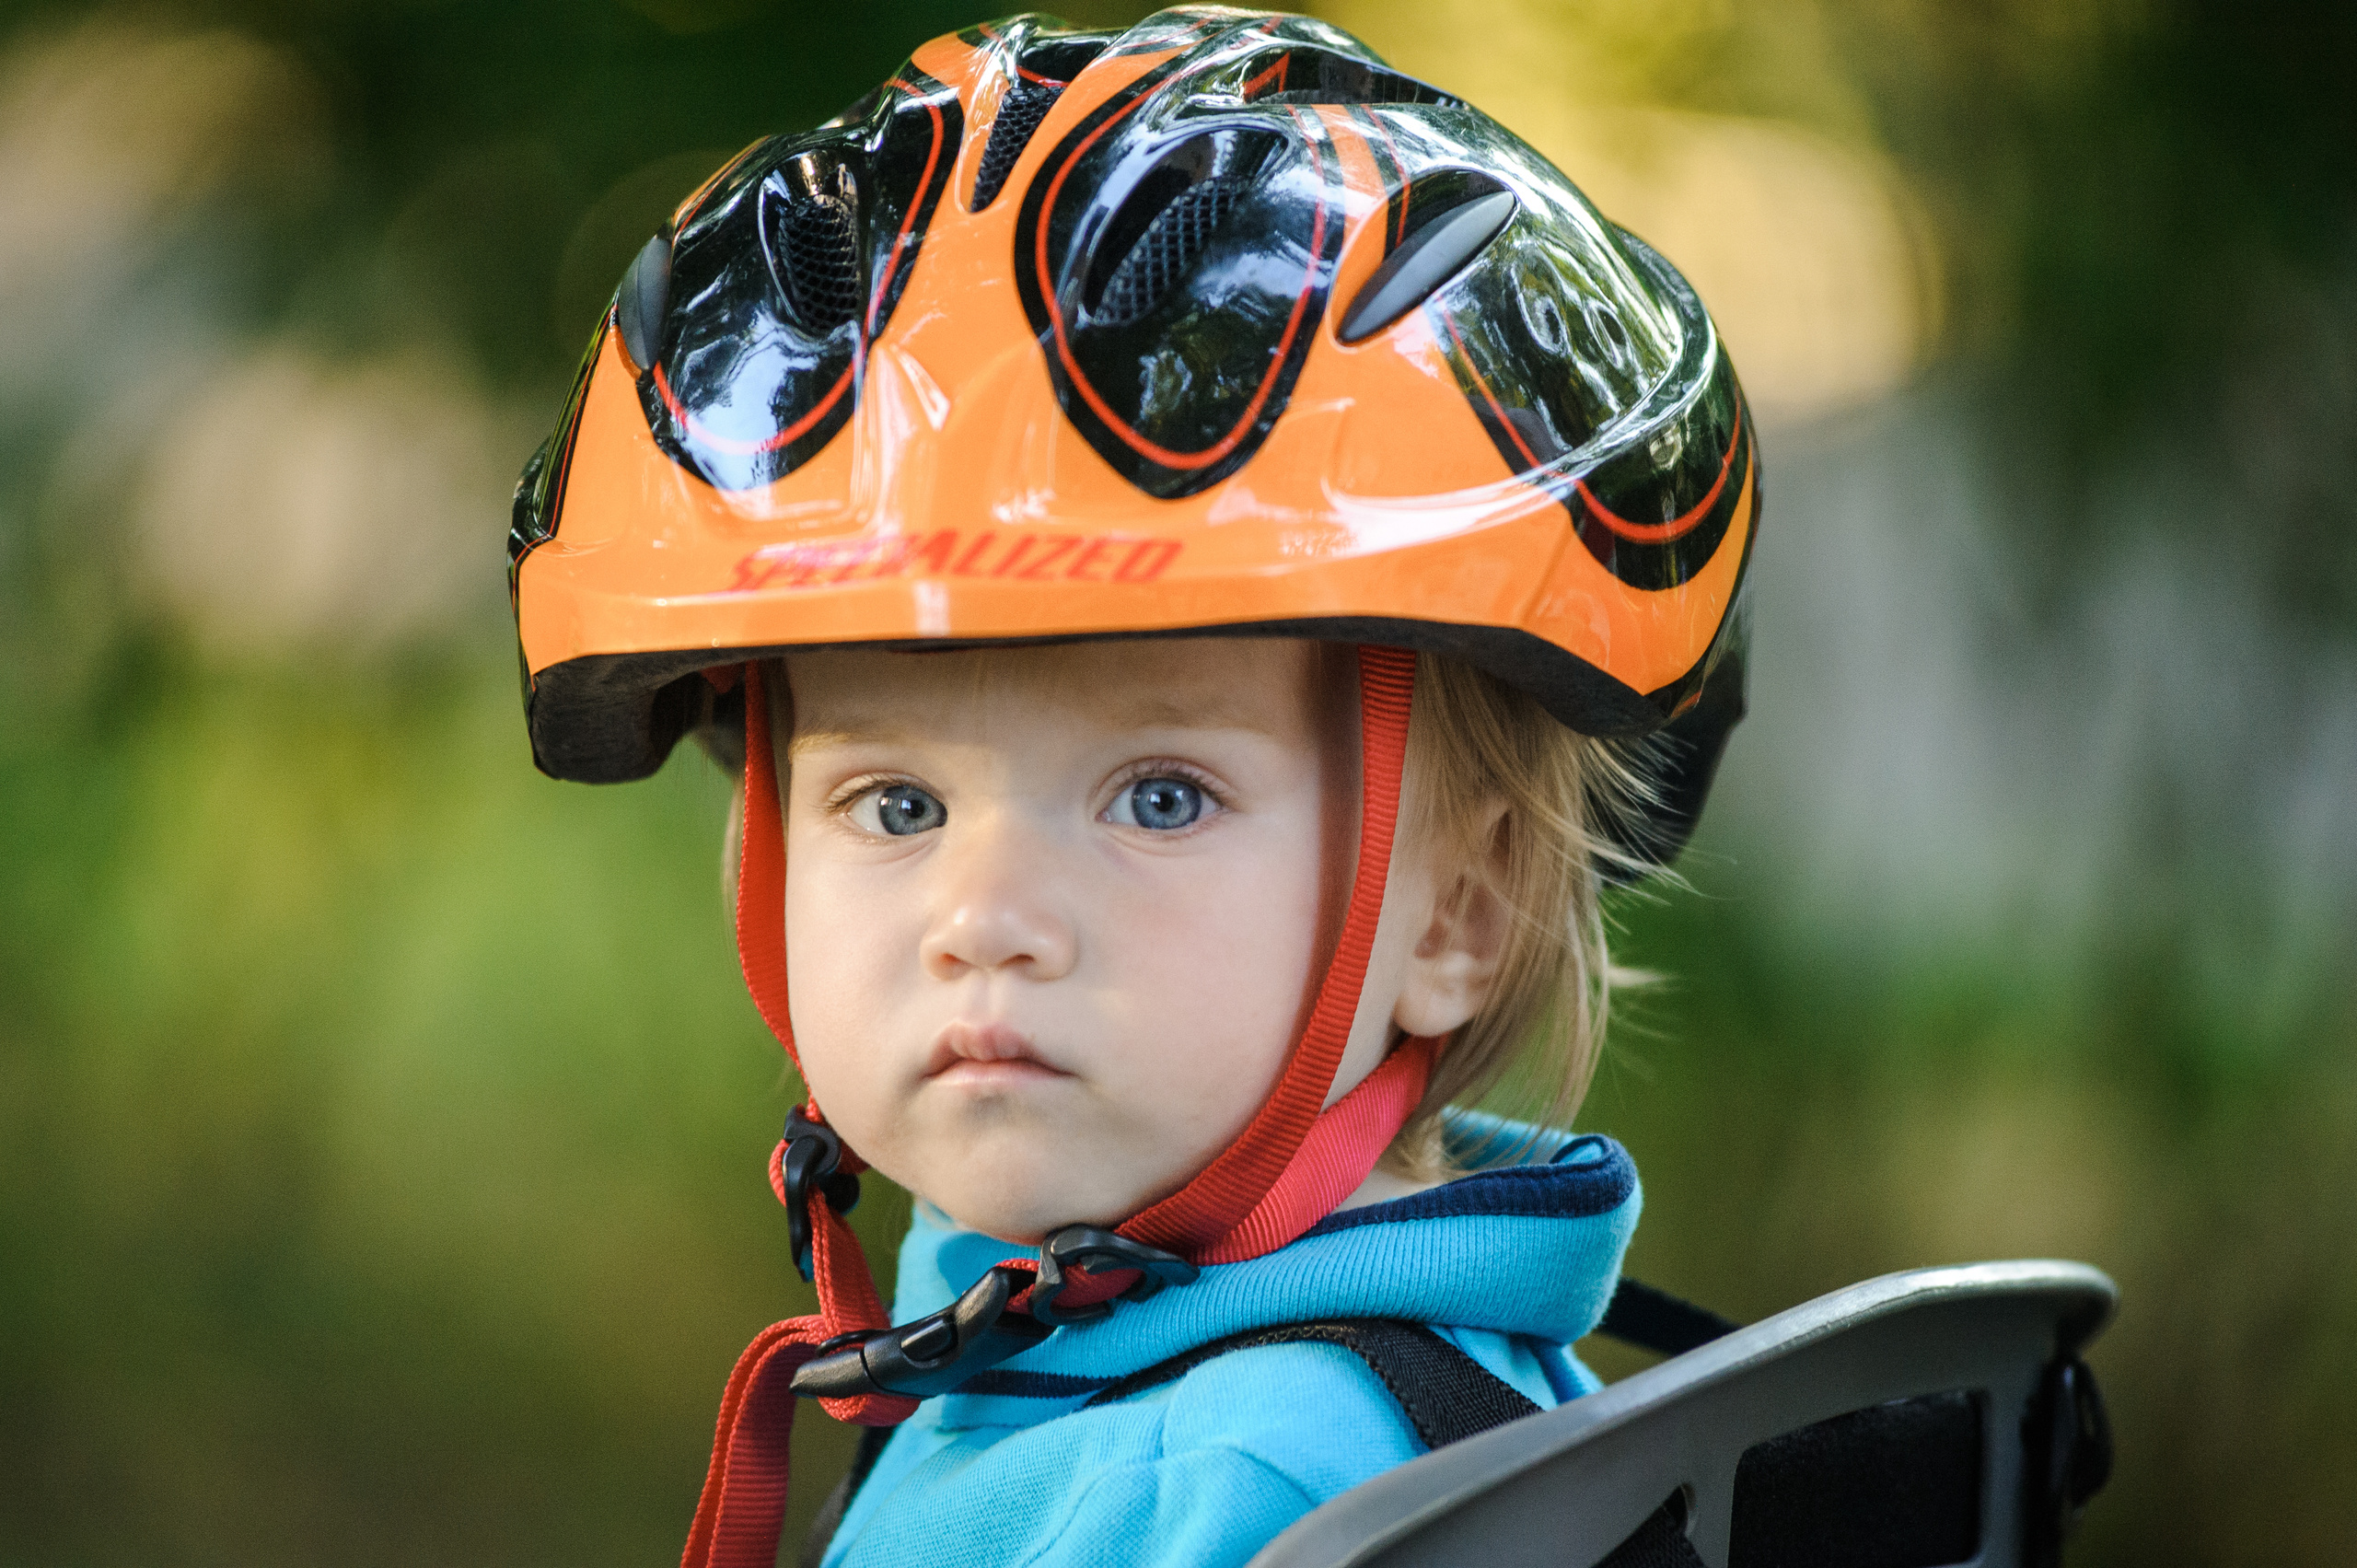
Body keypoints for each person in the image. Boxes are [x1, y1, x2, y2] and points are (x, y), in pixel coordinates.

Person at [507, 10, 1757, 1567]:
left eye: (1160, 798)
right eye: (897, 806)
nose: (985, 921)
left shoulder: (1225, 1482)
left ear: (1463, 909)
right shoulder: (1085, 1366)